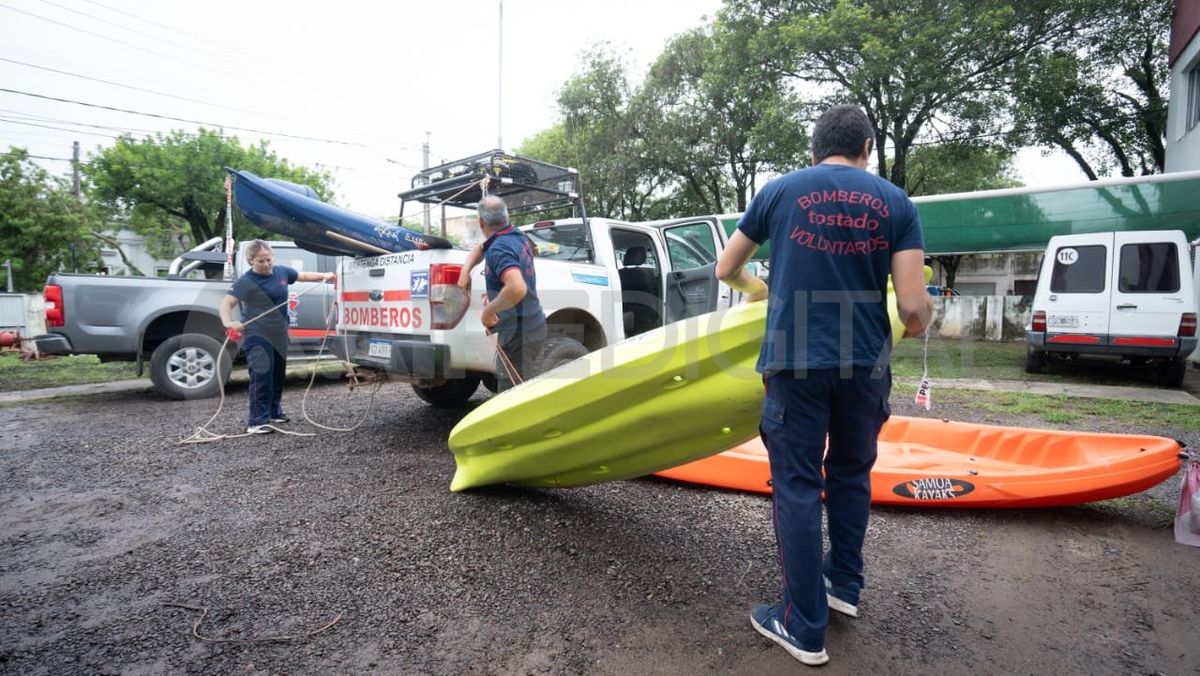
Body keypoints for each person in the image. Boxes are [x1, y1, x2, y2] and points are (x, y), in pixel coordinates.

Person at [715, 104, 932, 667]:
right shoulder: (896, 202)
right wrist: (920, 320)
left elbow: (725, 267)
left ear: (813, 152)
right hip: (865, 366)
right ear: (867, 149)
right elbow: (911, 307)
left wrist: (756, 287)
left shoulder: (780, 192)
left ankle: (802, 624)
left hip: (795, 363)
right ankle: (844, 586)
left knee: (797, 485)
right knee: (852, 474)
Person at [219, 239, 335, 434]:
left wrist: (326, 276)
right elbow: (226, 304)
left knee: (277, 375)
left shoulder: (281, 272)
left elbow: (304, 276)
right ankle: (256, 421)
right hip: (257, 334)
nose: (266, 265)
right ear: (251, 261)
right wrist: (229, 323)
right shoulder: (246, 281)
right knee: (261, 376)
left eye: (268, 260)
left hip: (279, 334)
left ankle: (273, 412)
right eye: (261, 261)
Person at [457, 195, 547, 392]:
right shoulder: (515, 235)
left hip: (519, 335)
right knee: (522, 388)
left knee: (511, 398)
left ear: (481, 222)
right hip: (529, 329)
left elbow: (517, 288)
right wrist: (466, 272)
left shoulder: (499, 248)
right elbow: (480, 248)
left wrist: (488, 311)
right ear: (506, 218)